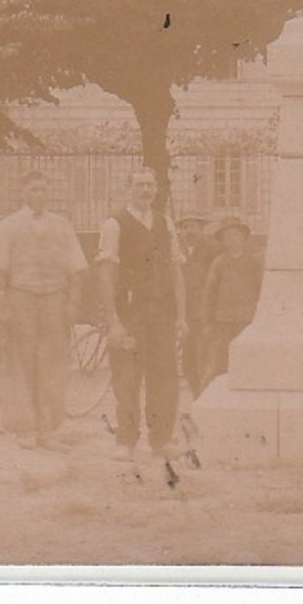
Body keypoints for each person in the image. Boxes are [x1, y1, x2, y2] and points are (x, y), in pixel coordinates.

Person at [0, 169, 88, 447]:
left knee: (52, 363)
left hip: (55, 299)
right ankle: (24, 428)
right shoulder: (8, 226)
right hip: (21, 298)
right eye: (33, 189)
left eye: (44, 189)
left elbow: (77, 268)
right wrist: (1, 306)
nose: (39, 195)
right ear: (23, 193)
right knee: (21, 362)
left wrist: (74, 303)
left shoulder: (62, 225)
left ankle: (48, 429)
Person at [95, 168, 189, 461]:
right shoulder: (115, 224)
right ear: (128, 188)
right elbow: (106, 273)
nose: (145, 191)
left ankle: (161, 439)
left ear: (157, 190)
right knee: (127, 376)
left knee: (165, 375)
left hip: (161, 310)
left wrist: (181, 316)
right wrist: (113, 321)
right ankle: (126, 440)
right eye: (139, 185)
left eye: (150, 185)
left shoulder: (165, 223)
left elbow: (175, 270)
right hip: (130, 311)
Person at [197, 217, 264, 391]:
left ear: (242, 238)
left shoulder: (254, 263)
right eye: (227, 237)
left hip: (247, 322)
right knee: (215, 365)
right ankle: (202, 404)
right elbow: (209, 294)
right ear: (223, 241)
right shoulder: (219, 263)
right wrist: (207, 323)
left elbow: (261, 291)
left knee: (248, 364)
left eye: (235, 235)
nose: (232, 240)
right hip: (223, 322)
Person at [174, 212, 216, 397]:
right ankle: (197, 397)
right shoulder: (176, 251)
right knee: (188, 362)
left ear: (201, 229)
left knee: (204, 359)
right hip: (185, 315)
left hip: (206, 314)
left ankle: (205, 399)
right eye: (185, 227)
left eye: (193, 226)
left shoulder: (213, 250)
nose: (189, 231)